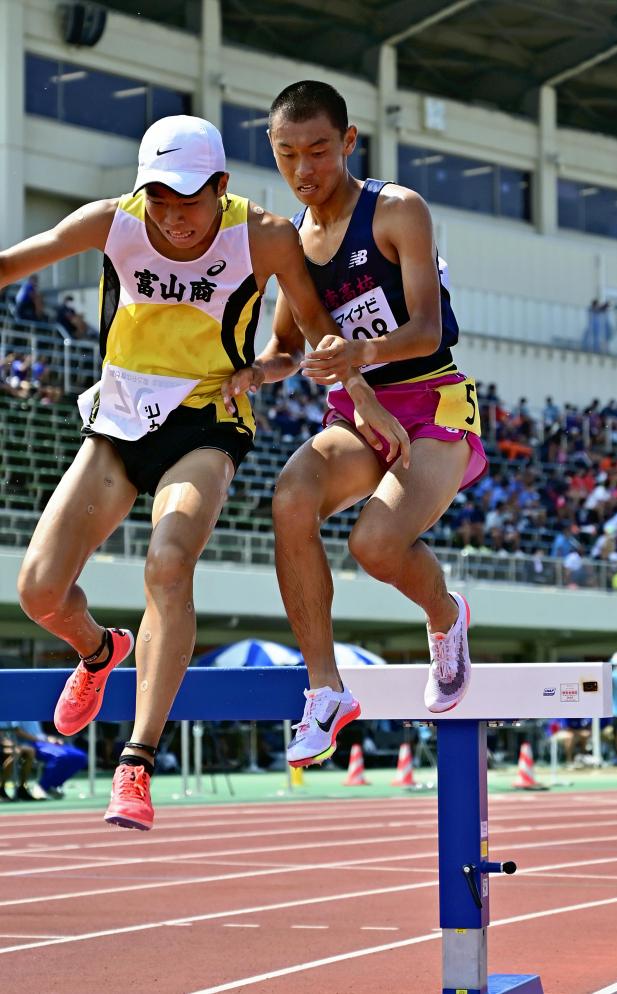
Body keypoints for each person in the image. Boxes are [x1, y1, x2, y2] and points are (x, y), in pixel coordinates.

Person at [1, 114, 403, 831]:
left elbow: (317, 331)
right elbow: (10, 264)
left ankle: (136, 762)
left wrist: (360, 398)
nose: (173, 217)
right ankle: (99, 651)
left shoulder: (264, 235)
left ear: (221, 185)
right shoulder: (112, 221)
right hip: (119, 420)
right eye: (158, 199)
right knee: (37, 591)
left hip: (207, 422)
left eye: (188, 200)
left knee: (168, 561)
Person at [243, 80, 488, 766]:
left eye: (319, 150)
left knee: (375, 546)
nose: (304, 170)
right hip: (357, 414)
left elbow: (427, 328)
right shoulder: (291, 242)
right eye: (288, 154)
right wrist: (250, 374)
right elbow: (286, 348)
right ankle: (325, 690)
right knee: (290, 499)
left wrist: (359, 353)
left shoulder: (397, 210)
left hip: (431, 401)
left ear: (348, 142)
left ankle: (446, 616)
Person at [14, 720, 88, 798]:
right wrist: (38, 739)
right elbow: (17, 731)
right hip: (30, 744)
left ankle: (53, 785)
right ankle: (42, 787)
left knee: (80, 757)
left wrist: (48, 738)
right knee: (60, 756)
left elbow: (38, 733)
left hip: (44, 742)